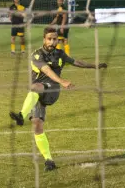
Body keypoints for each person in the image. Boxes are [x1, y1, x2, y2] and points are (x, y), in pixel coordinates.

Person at [9, 26, 107, 172]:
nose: (52, 42)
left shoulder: (60, 54)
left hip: (52, 91)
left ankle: (22, 115)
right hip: (37, 95)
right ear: (44, 39)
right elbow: (46, 70)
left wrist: (95, 66)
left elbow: (76, 62)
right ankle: (49, 160)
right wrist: (63, 80)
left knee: (35, 87)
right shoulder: (36, 55)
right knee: (37, 125)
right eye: (49, 39)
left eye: (55, 39)